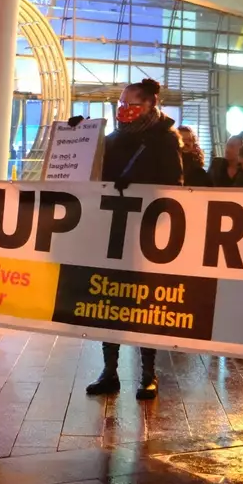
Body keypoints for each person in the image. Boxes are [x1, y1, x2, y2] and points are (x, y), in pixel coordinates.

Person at [86, 78, 183, 398]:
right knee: (109, 299)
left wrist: (140, 191)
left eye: (131, 105)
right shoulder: (113, 139)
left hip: (148, 232)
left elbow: (174, 187)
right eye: (121, 105)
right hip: (114, 227)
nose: (124, 111)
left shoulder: (165, 140)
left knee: (145, 302)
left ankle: (148, 374)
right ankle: (109, 371)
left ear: (150, 105)